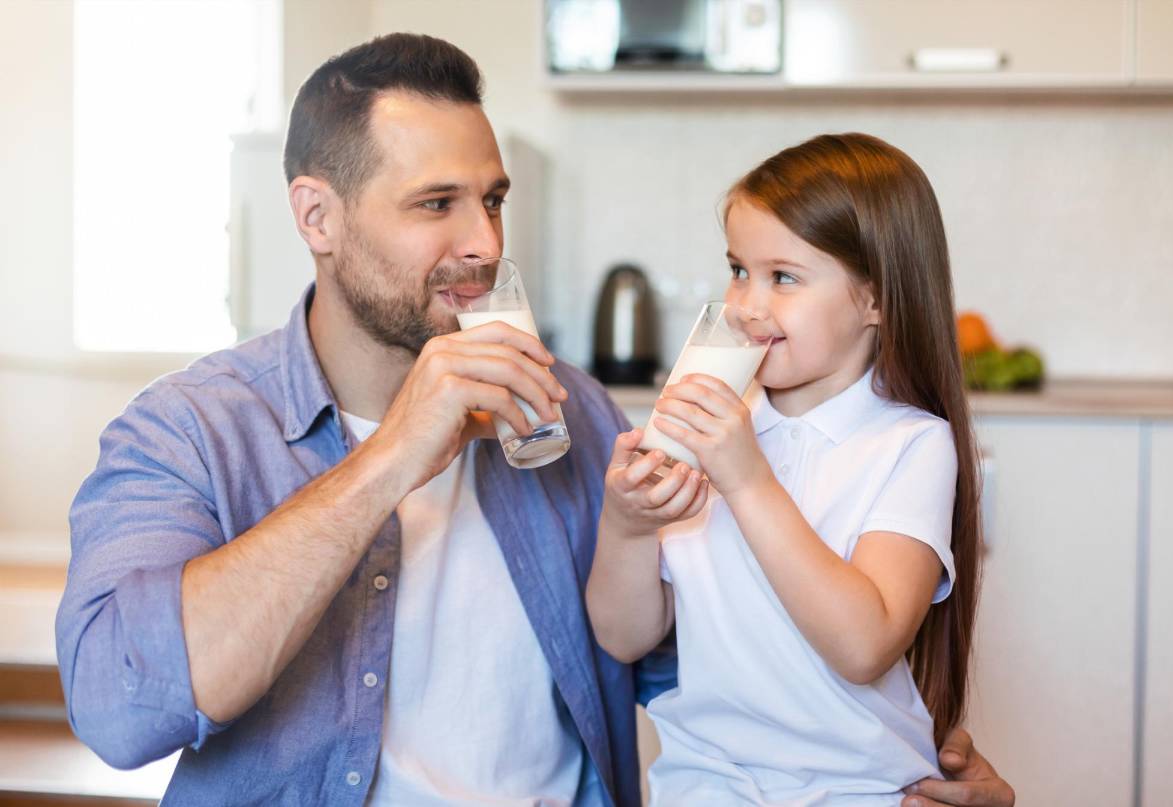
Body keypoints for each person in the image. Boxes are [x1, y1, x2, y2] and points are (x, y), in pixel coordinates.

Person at [55, 32, 1013, 807]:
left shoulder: (576, 413)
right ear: (318, 217)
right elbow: (118, 709)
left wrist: (903, 761)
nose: (484, 242)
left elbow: (700, 650)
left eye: (494, 200)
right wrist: (394, 454)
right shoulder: (187, 430)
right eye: (438, 203)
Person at [587, 133, 1003, 807]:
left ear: (874, 300)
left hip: (858, 787)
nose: (746, 305)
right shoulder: (711, 423)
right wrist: (627, 524)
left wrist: (748, 479)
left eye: (782, 277)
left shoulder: (909, 445)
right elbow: (625, 636)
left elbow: (864, 642)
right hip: (706, 782)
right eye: (738, 269)